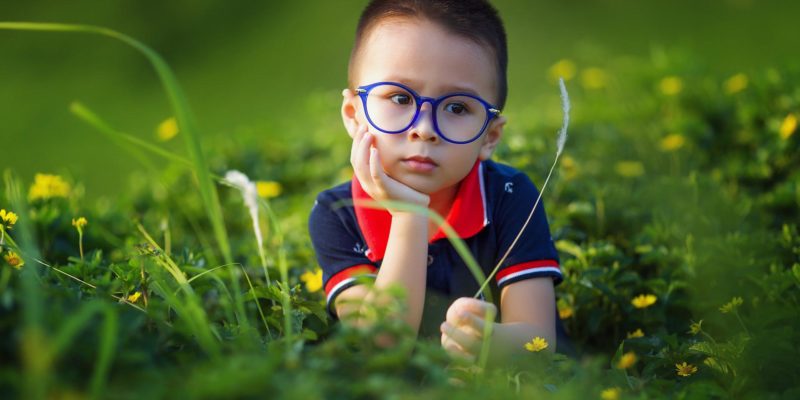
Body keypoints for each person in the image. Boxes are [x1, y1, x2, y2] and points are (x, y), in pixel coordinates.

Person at [308, 0, 567, 364]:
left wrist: (490, 343)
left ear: (490, 136)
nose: (425, 130)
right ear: (353, 114)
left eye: (457, 108)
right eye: (399, 97)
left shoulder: (510, 197)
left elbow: (538, 342)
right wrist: (409, 215)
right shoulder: (337, 213)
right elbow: (380, 344)